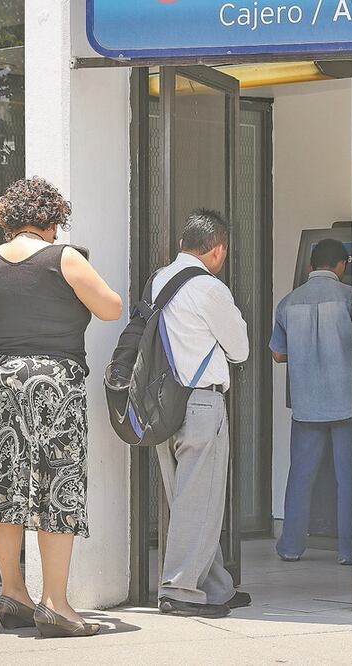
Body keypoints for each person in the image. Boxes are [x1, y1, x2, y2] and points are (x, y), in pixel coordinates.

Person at [0, 177, 122, 638]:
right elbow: (111, 308)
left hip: (1, 379)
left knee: (4, 484)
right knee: (58, 482)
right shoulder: (63, 258)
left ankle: (13, 591)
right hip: (52, 380)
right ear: (51, 219)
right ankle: (55, 602)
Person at [154, 209, 251, 619]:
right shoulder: (210, 289)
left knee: (189, 498)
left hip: (162, 404)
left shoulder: (159, 281)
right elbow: (240, 349)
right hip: (200, 401)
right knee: (203, 499)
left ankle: (214, 587)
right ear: (218, 251)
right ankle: (179, 590)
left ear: (181, 245)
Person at [270, 239, 352, 565]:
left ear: (310, 265)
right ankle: (348, 551)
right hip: (346, 403)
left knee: (301, 477)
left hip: (306, 406)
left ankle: (290, 546)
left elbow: (278, 353)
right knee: (346, 479)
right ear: (342, 266)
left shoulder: (289, 302)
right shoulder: (349, 298)